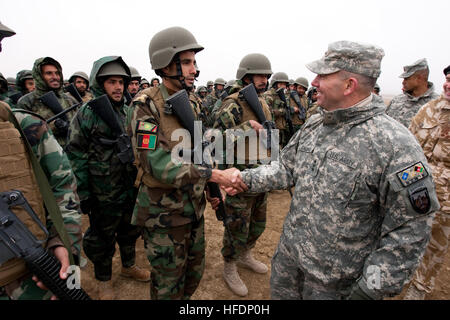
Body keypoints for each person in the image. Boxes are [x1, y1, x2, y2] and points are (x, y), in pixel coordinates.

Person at [221, 41, 440, 300]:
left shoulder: (395, 145)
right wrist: (243, 178)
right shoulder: (316, 125)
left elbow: (411, 230)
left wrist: (370, 289)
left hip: (336, 286)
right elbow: (285, 168)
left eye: (323, 76)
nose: (314, 82)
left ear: (349, 85)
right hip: (288, 270)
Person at [126, 26, 220, 300]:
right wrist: (212, 176)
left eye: (194, 62)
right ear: (165, 64)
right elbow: (156, 162)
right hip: (163, 216)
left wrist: (210, 192)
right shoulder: (144, 106)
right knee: (168, 287)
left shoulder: (193, 102)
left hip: (194, 209)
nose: (194, 69)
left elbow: (202, 147)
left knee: (193, 277)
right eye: (187, 62)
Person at [66, 56, 150, 300]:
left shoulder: (128, 110)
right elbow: (75, 155)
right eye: (112, 82)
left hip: (128, 185)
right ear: (100, 84)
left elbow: (144, 143)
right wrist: (84, 193)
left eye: (121, 82)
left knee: (129, 229)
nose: (118, 87)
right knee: (102, 237)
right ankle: (104, 280)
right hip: (102, 189)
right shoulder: (87, 113)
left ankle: (128, 266)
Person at [212, 53, 273, 297]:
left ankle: (246, 254)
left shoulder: (262, 102)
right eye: (260, 75)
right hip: (239, 176)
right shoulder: (234, 104)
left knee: (258, 222)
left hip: (261, 173)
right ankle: (229, 265)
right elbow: (214, 140)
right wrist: (247, 128)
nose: (265, 80)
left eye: (267, 76)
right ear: (247, 75)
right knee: (237, 224)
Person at [403, 65, 450, 300]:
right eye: (448, 79)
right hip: (416, 186)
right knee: (408, 233)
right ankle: (403, 273)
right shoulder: (428, 110)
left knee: (436, 245)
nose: (448, 84)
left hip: (447, 200)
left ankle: (420, 287)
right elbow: (409, 150)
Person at [16, 57, 78, 148]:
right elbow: (23, 135)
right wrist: (53, 126)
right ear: (39, 76)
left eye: (57, 73)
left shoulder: (69, 99)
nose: (55, 77)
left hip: (73, 151)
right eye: (49, 73)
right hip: (47, 154)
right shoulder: (27, 102)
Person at [386, 58, 439, 128]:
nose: (403, 82)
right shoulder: (397, 100)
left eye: (407, 78)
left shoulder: (437, 104)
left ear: (419, 78)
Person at [263, 71, 291, 147]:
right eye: (281, 84)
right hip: (272, 130)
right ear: (275, 84)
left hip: (282, 129)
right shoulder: (268, 95)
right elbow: (267, 113)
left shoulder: (284, 96)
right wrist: (282, 111)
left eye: (285, 84)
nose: (283, 86)